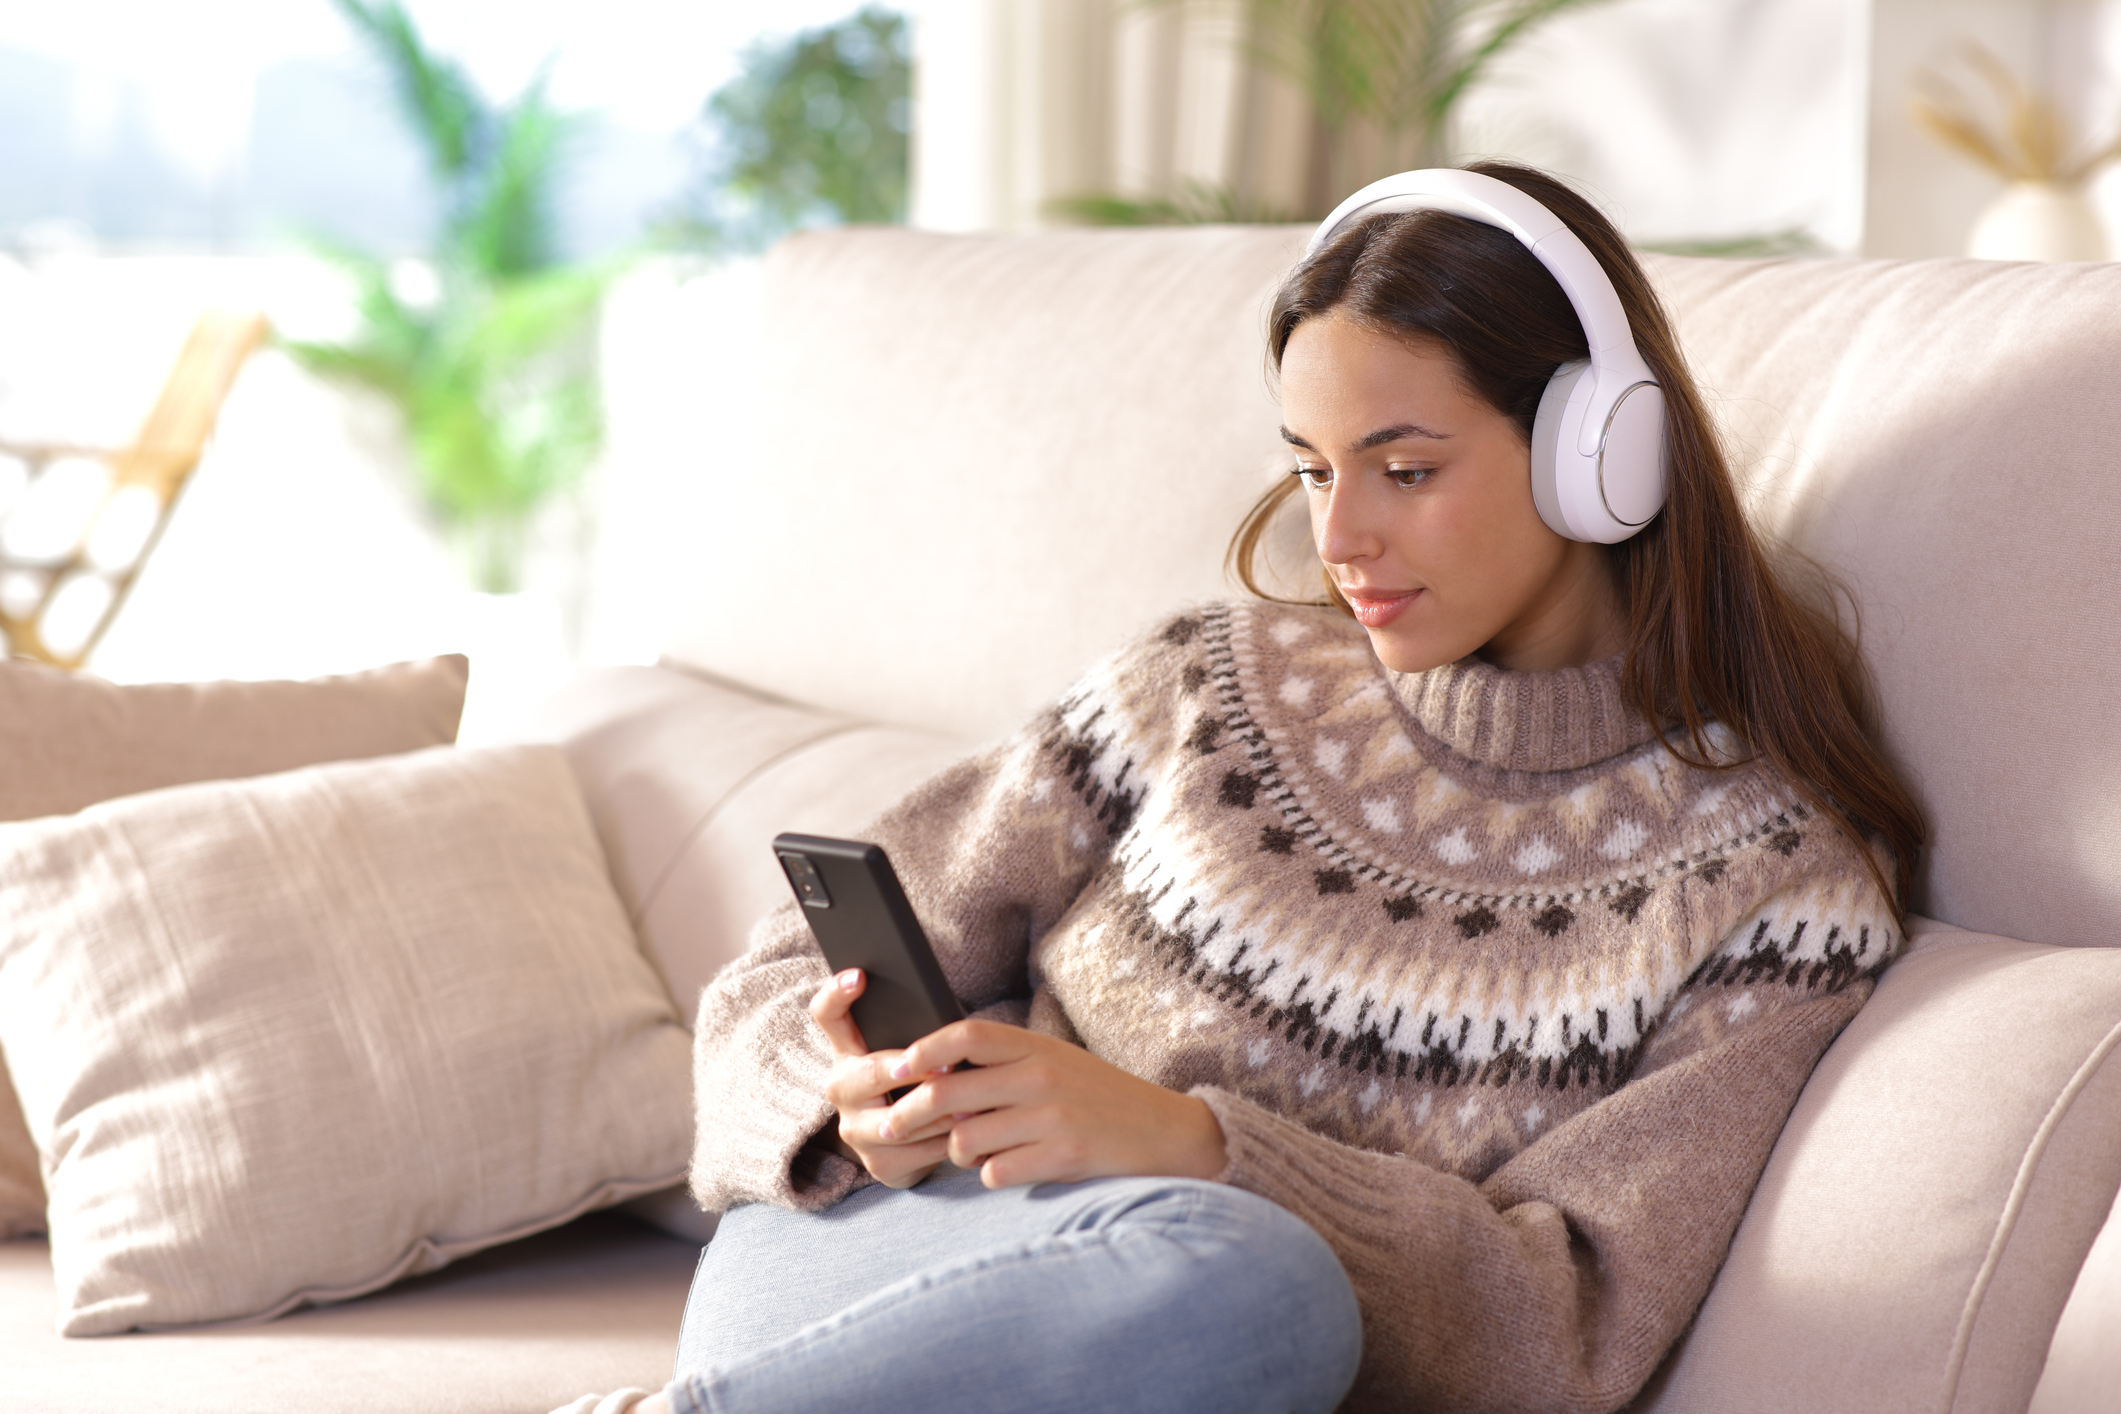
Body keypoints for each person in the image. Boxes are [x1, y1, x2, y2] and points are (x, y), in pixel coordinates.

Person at [590, 160, 1925, 1414]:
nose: (1337, 536)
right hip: (870, 1258)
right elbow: (772, 978)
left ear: (1599, 454)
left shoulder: (1774, 886)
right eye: (1311, 468)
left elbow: (1560, 1325)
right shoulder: (1197, 682)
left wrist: (1193, 1146)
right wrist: (849, 1106)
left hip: (1198, 1337)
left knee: (1257, 1281)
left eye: (1406, 471)